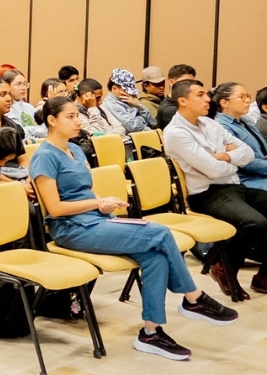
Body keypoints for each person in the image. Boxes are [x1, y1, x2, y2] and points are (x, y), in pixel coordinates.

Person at [33, 95, 237, 359]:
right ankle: (194, 298)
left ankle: (151, 332)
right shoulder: (45, 156)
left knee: (155, 256)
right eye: (70, 117)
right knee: (160, 232)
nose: (77, 121)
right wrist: (98, 203)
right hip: (71, 229)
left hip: (96, 220)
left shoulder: (75, 150)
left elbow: (82, 191)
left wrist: (102, 203)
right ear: (52, 120)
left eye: (77, 115)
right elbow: (56, 208)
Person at [164, 79, 267, 297]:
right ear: (183, 101)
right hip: (207, 194)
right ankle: (223, 266)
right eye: (200, 95)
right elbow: (213, 170)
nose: (207, 99)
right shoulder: (176, 133)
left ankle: (263, 277)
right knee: (255, 223)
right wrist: (231, 160)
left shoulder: (208, 123)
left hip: (233, 186)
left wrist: (225, 156)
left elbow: (246, 152)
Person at [211, 83, 267, 192]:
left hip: (261, 173)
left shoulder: (245, 121)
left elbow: (262, 151)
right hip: (247, 180)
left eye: (247, 96)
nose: (247, 101)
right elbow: (245, 162)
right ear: (224, 103)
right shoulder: (222, 127)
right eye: (242, 97)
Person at [100, 68, 157, 136]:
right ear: (114, 89)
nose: (129, 93)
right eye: (126, 90)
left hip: (147, 135)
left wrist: (139, 105)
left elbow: (153, 123)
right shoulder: (110, 105)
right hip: (131, 143)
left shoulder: (131, 100)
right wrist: (142, 118)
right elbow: (133, 127)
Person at [0, 68, 45, 141]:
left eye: (24, 84)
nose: (23, 88)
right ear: (7, 86)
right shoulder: (6, 108)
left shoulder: (29, 107)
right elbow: (19, 131)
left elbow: (45, 130)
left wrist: (29, 130)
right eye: (18, 84)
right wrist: (35, 129)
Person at [157, 64, 197, 129]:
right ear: (171, 82)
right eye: (185, 82)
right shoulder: (169, 109)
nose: (190, 86)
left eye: (192, 83)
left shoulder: (183, 104)